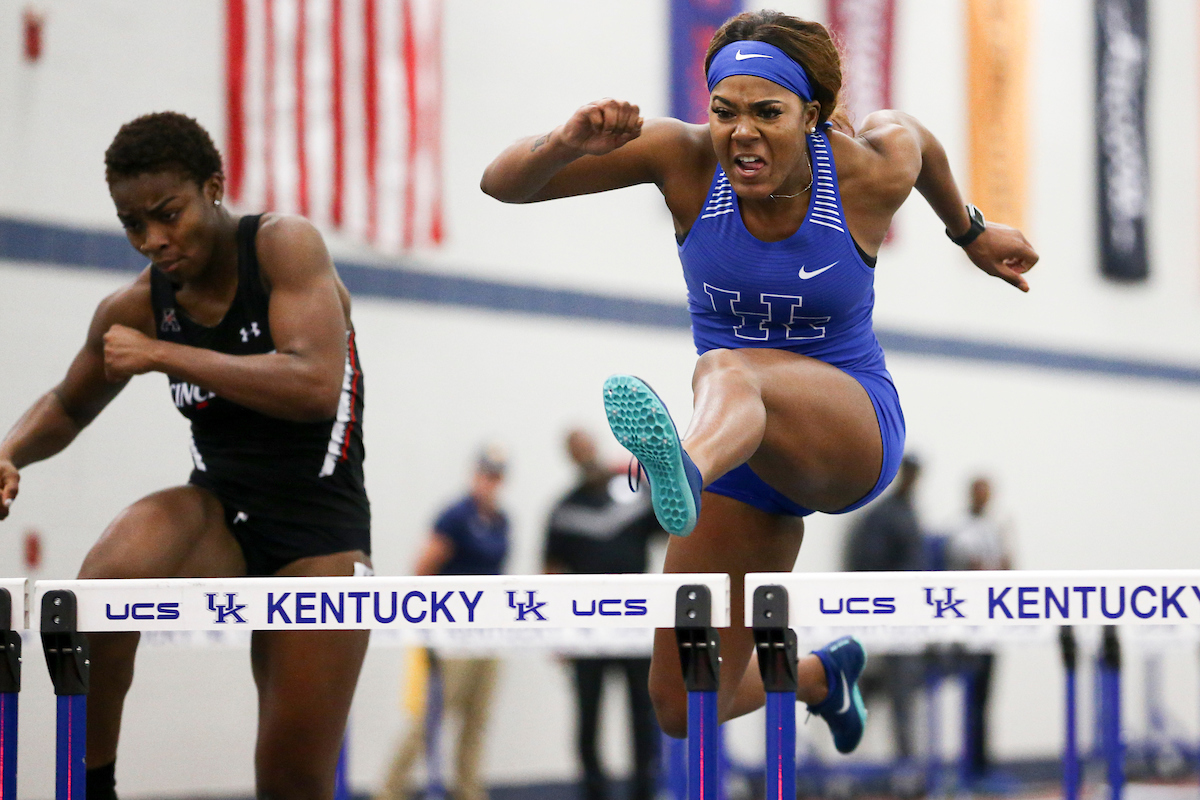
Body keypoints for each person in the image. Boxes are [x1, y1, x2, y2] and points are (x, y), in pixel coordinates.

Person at [481, 10, 1038, 752]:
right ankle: (818, 676)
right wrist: (563, 145)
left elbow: (922, 141)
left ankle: (679, 469)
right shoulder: (681, 158)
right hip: (740, 457)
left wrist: (969, 232)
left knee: (726, 367)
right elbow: (501, 186)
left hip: (846, 434)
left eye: (767, 113)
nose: (741, 132)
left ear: (812, 114)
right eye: (724, 111)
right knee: (683, 703)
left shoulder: (865, 169)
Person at [0, 112, 371, 798]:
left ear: (214, 187)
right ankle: (97, 783)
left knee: (292, 779)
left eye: (168, 214)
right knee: (103, 587)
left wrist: (163, 354)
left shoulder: (283, 248)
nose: (155, 241)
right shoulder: (139, 305)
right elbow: (68, 404)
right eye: (132, 225)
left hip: (319, 532)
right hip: (218, 514)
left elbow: (315, 385)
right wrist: (10, 450)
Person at [378, 447, 509, 800]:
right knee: (430, 719)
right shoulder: (455, 517)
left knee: (477, 721)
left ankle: (469, 789)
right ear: (475, 474)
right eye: (486, 474)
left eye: (497, 477)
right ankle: (390, 789)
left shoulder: (501, 520)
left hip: (488, 633)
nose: (490, 483)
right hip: (453, 635)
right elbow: (423, 568)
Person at [543, 429, 664, 800]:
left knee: (643, 712)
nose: (584, 452)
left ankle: (644, 788)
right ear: (570, 456)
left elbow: (671, 528)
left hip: (635, 625)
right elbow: (551, 571)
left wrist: (659, 478)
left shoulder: (633, 494)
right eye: (575, 447)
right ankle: (593, 789)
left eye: (587, 443)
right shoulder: (564, 510)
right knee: (589, 715)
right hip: (587, 632)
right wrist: (556, 632)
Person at [842, 454, 925, 763]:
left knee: (897, 695)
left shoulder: (908, 514)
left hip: (905, 619)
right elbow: (868, 567)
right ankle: (879, 761)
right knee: (884, 692)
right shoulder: (884, 517)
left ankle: (902, 761)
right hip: (887, 618)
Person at [944, 475, 1013, 786]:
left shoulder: (995, 528)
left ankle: (983, 765)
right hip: (968, 625)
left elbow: (1008, 569)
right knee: (970, 697)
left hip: (991, 624)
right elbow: (969, 566)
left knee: (985, 698)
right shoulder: (959, 528)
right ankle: (968, 768)